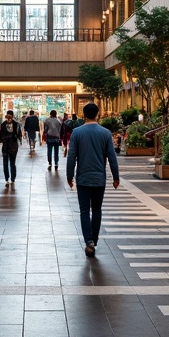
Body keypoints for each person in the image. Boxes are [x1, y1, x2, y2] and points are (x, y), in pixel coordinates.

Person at [66, 102, 120, 257]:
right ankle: (94, 240)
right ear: (97, 114)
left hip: (82, 178)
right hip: (99, 179)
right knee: (96, 209)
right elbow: (112, 157)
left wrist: (69, 176)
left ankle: (88, 241)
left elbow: (71, 157)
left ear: (84, 114)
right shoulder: (105, 133)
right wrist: (116, 177)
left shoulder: (77, 132)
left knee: (84, 210)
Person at [0, 109, 24, 189]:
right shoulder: (14, 124)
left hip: (9, 146)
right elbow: (19, 135)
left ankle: (10, 178)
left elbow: (1, 136)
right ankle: (9, 178)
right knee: (9, 163)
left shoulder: (10, 124)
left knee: (9, 163)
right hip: (10, 146)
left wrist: (2, 139)